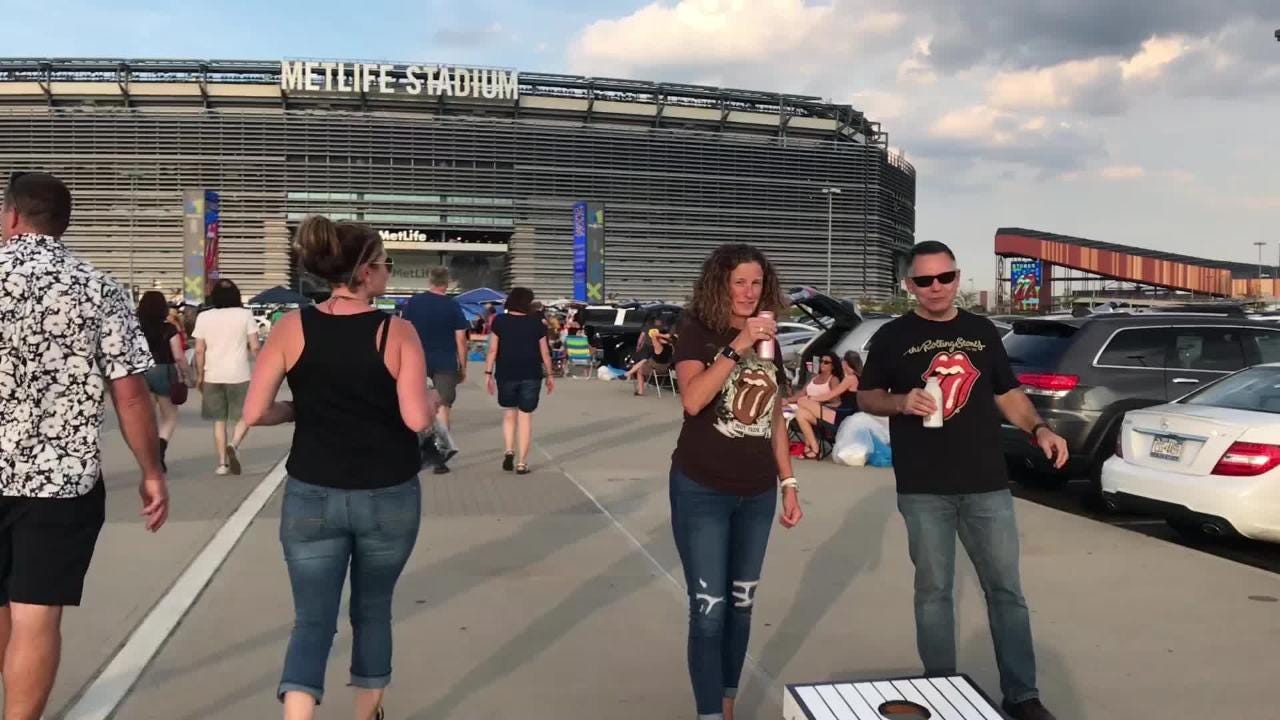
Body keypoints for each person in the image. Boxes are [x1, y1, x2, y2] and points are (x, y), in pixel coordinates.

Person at [857, 240, 1068, 720]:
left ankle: (1022, 696)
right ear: (910, 285)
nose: (936, 288)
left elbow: (1006, 393)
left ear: (957, 277)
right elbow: (867, 397)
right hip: (923, 486)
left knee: (1007, 592)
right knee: (934, 593)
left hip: (986, 483)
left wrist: (1039, 429)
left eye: (945, 277)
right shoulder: (892, 335)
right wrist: (900, 402)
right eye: (924, 280)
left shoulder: (982, 330)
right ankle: (941, 695)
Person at [242, 214, 434, 720]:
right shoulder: (396, 331)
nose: (387, 273)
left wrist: (296, 409)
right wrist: (432, 398)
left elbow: (255, 411)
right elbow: (415, 417)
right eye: (385, 264)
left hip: (312, 491)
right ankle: (366, 713)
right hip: (388, 493)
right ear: (367, 272)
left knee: (311, 621)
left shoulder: (290, 327)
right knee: (372, 612)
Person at [0, 171, 168, 719]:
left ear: (11, 216)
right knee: (36, 616)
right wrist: (151, 471)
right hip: (60, 480)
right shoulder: (97, 287)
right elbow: (132, 394)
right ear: (63, 223)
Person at [669, 243, 803, 720]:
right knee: (709, 610)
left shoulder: (770, 339)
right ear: (720, 284)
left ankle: (726, 704)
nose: (749, 292)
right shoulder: (697, 331)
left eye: (756, 282)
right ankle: (709, 714)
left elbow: (774, 419)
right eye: (739, 282)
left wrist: (788, 484)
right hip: (702, 488)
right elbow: (692, 399)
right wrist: (737, 345)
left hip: (757, 493)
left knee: (742, 605)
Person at [401, 267, 469, 474]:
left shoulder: (413, 303)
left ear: (429, 281)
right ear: (446, 283)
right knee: (442, 408)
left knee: (413, 406)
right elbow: (461, 340)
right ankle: (440, 459)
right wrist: (463, 366)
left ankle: (411, 454)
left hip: (417, 361)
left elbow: (404, 331)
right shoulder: (452, 306)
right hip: (446, 362)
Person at [484, 287, 554, 474]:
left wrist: (488, 373)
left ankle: (508, 450)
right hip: (531, 374)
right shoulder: (537, 323)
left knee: (509, 413)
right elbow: (545, 352)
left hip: (506, 373)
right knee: (525, 417)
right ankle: (522, 463)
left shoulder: (500, 321)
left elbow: (492, 350)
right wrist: (550, 375)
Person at [193, 278, 260, 475]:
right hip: (239, 373)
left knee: (219, 420)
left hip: (212, 374)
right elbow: (255, 346)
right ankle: (235, 443)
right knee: (247, 414)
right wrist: (264, 367)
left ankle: (222, 464)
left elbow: (198, 350)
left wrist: (199, 375)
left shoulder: (204, 317)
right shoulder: (245, 315)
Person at [137, 290, 192, 471]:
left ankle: (148, 456)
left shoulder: (135, 329)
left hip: (141, 372)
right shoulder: (169, 328)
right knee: (169, 416)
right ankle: (160, 449)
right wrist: (187, 375)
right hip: (163, 371)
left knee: (147, 418)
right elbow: (178, 356)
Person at [793, 351, 862, 459]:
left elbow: (830, 395)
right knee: (801, 413)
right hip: (843, 413)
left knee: (802, 401)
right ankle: (814, 449)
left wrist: (811, 398)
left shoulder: (850, 378)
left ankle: (812, 449)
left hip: (841, 416)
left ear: (845, 363)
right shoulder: (857, 377)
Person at [625, 320, 674, 396]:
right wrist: (665, 336)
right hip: (667, 368)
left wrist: (658, 334)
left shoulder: (658, 346)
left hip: (657, 368)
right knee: (644, 361)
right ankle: (630, 373)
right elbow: (669, 338)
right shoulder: (671, 346)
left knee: (640, 370)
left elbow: (654, 336)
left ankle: (640, 390)